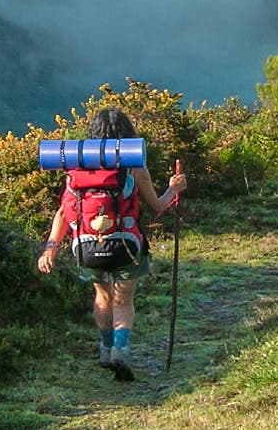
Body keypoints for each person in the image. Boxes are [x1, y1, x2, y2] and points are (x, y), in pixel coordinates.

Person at [36, 107, 186, 378]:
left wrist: (50, 249)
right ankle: (121, 350)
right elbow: (158, 206)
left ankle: (105, 350)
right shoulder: (134, 165)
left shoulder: (77, 165)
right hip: (127, 247)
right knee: (124, 300)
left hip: (86, 246)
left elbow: (63, 211)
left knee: (103, 296)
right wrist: (174, 189)